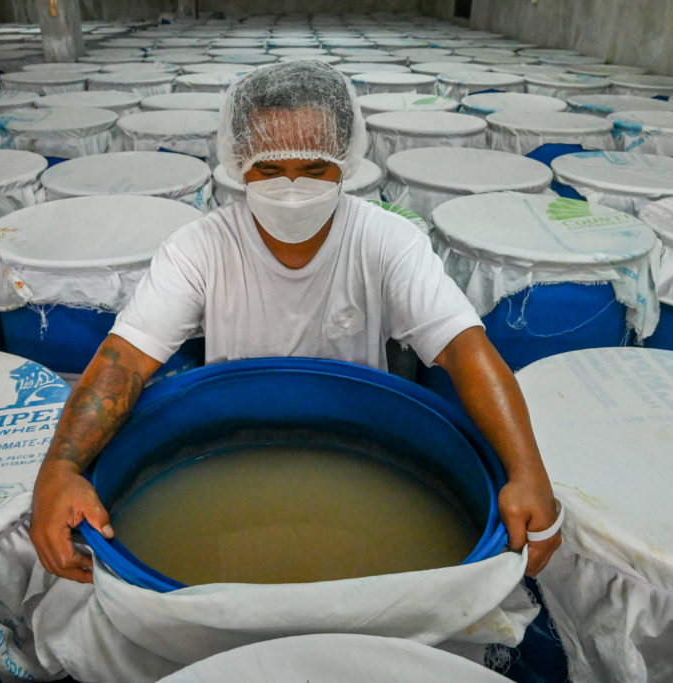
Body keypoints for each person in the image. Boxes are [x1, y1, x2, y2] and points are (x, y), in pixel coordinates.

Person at [29, 60, 561, 584]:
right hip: (232, 454)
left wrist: (527, 472)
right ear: (238, 163)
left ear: (345, 163)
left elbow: (464, 349)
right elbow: (125, 361)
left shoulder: (385, 242)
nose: (289, 188)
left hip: (360, 452)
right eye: (268, 169)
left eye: (312, 170)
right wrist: (60, 470)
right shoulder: (200, 248)